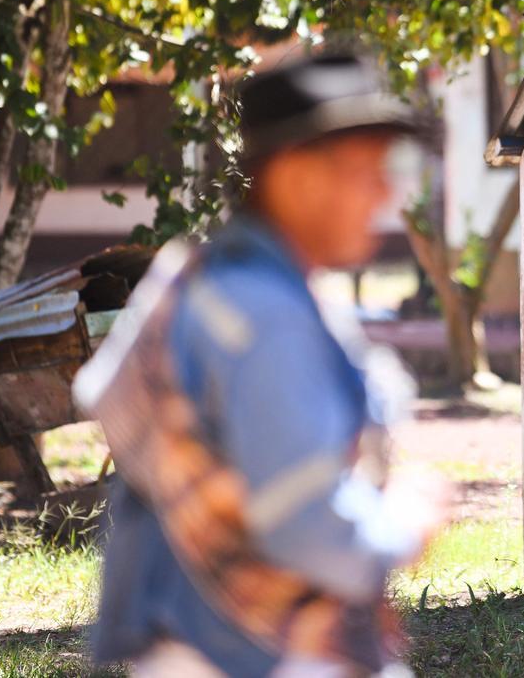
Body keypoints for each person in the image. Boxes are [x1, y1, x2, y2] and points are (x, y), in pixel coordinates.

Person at [74, 55, 442, 677]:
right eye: (367, 169)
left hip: (201, 639)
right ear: (295, 174)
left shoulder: (219, 277)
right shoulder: (266, 314)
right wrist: (407, 524)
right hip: (263, 655)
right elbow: (307, 527)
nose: (388, 192)